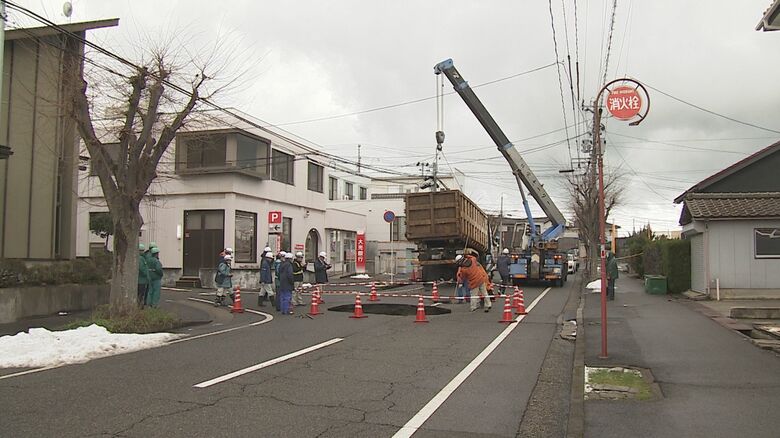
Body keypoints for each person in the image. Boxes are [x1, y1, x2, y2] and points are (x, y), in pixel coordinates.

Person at [137, 243, 151, 308]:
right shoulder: (140, 258)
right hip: (141, 280)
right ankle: (139, 305)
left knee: (141, 293)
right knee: (141, 294)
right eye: (141, 250)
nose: (142, 252)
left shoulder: (141, 258)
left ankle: (140, 304)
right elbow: (142, 268)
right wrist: (146, 275)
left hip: (141, 280)